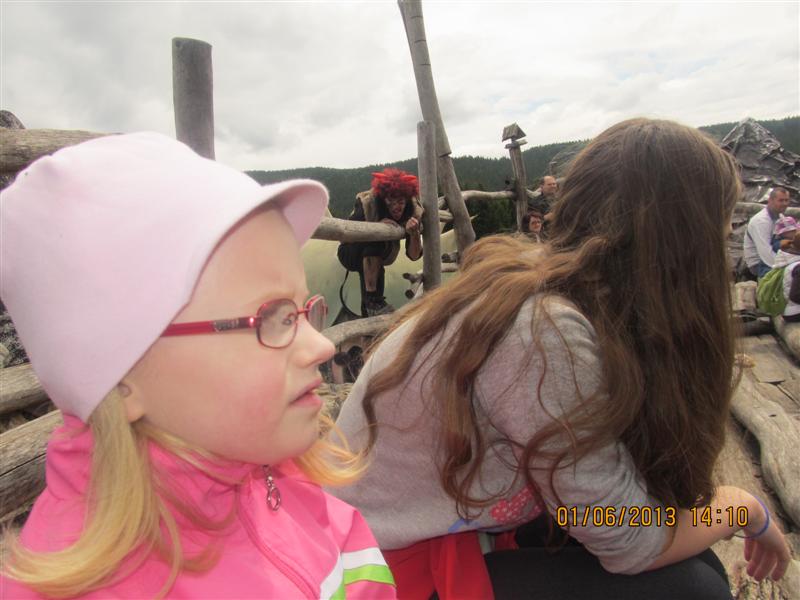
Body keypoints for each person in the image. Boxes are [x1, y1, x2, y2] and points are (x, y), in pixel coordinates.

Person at [330, 119, 791, 599]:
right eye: (719, 234)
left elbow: (608, 515)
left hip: (438, 533)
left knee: (693, 560)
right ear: (684, 248)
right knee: (691, 590)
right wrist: (744, 508)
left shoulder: (550, 292)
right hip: (383, 574)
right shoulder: (543, 331)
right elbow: (634, 543)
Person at [0, 133, 395, 599]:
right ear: (121, 381)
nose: (322, 346)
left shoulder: (280, 481)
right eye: (272, 317)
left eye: (302, 310)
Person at [337, 168, 423, 317]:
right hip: (350, 252)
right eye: (390, 201)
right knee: (374, 242)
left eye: (401, 202)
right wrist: (375, 226)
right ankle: (372, 301)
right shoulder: (368, 203)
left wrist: (414, 233)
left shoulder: (413, 211)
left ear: (407, 200)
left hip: (380, 256)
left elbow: (414, 255)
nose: (396, 207)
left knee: (377, 261)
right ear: (383, 199)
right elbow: (347, 236)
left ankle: (371, 306)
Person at [743, 187, 790, 278]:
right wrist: (786, 266)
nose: (784, 204)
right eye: (781, 200)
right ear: (770, 200)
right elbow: (765, 253)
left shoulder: (780, 217)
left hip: (774, 257)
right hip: (758, 263)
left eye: (786, 200)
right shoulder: (761, 221)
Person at [771, 220, 800, 322]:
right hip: (795, 312)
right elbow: (795, 296)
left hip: (789, 309)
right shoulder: (798, 266)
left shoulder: (791, 259)